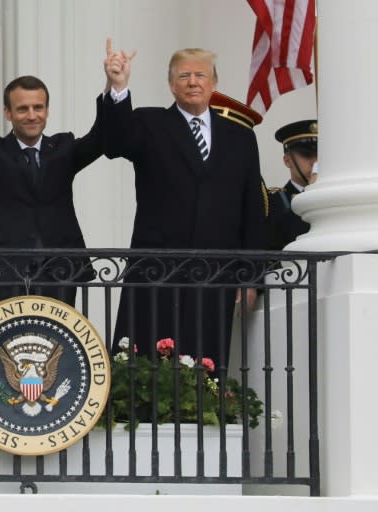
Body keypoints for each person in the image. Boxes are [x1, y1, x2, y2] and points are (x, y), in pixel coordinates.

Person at [103, 41, 266, 367]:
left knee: (206, 359)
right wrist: (118, 87)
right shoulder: (149, 123)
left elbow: (252, 208)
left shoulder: (239, 136)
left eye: (200, 75)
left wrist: (251, 276)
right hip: (158, 266)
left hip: (216, 269)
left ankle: (203, 414)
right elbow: (114, 141)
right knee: (145, 356)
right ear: (171, 84)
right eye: (184, 76)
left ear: (214, 82)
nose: (193, 82)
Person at [0, 68, 104, 308]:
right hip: (4, 271)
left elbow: (102, 137)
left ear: (47, 110)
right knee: (4, 343)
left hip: (60, 270)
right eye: (22, 109)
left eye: (38, 107)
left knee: (58, 344)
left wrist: (114, 87)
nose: (32, 115)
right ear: (8, 113)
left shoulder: (63, 146)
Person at [267, 120, 318, 250]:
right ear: (288, 161)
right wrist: (308, 197)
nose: (315, 162)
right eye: (307, 155)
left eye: (320, 155)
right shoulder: (274, 200)